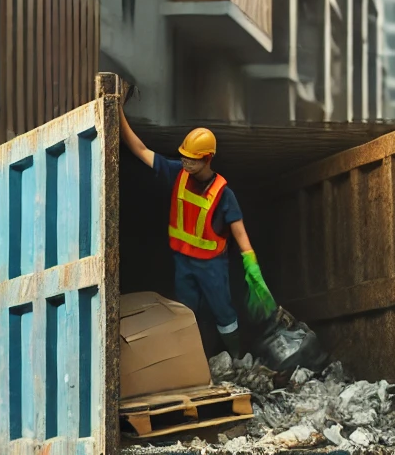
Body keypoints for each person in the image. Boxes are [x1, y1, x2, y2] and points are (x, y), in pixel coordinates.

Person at [118, 111, 276, 359]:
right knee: (185, 311)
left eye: (192, 159)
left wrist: (251, 265)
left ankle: (235, 358)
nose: (186, 162)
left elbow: (240, 233)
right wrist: (117, 112)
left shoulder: (224, 194)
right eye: (184, 157)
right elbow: (139, 149)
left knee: (223, 312)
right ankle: (190, 360)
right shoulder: (176, 173)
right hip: (183, 261)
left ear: (208, 159)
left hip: (212, 264)